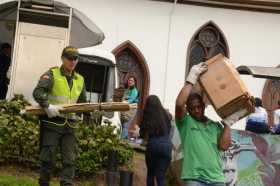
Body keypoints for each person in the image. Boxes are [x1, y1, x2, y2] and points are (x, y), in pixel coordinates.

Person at [175, 63, 246, 186]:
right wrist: (191, 79)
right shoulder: (185, 123)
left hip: (216, 178)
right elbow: (180, 104)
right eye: (192, 108)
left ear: (203, 106)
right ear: (188, 109)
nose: (196, 110)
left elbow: (224, 146)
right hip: (194, 179)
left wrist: (228, 124)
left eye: (198, 106)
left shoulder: (215, 126)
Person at [33, 46, 87, 186]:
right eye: (69, 58)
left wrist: (92, 112)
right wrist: (47, 105)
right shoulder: (52, 74)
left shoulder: (80, 79)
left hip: (71, 126)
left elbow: (83, 103)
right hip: (53, 123)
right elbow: (38, 92)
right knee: (48, 159)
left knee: (70, 160)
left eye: (75, 58)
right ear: (63, 58)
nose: (73, 61)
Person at [139, 95, 172, 186]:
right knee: (161, 177)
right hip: (167, 145)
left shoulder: (148, 114)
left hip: (153, 145)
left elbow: (142, 134)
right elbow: (169, 129)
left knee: (151, 174)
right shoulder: (166, 114)